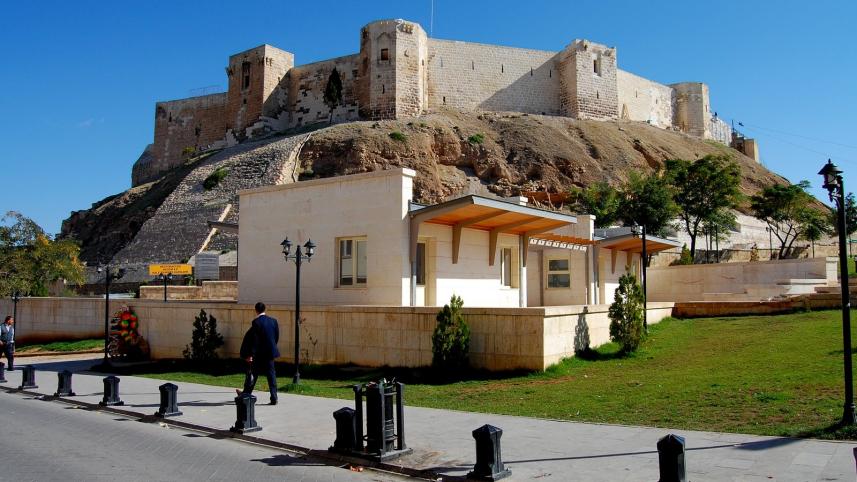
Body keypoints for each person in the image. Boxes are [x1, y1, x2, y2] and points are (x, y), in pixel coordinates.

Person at [238, 302, 280, 405]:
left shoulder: (256, 322)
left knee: (253, 374)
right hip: (270, 353)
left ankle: (246, 395)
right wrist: (272, 347)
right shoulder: (273, 321)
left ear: (256, 310)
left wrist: (251, 354)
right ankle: (274, 397)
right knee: (271, 375)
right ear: (265, 309)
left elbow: (255, 340)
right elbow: (276, 336)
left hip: (259, 354)